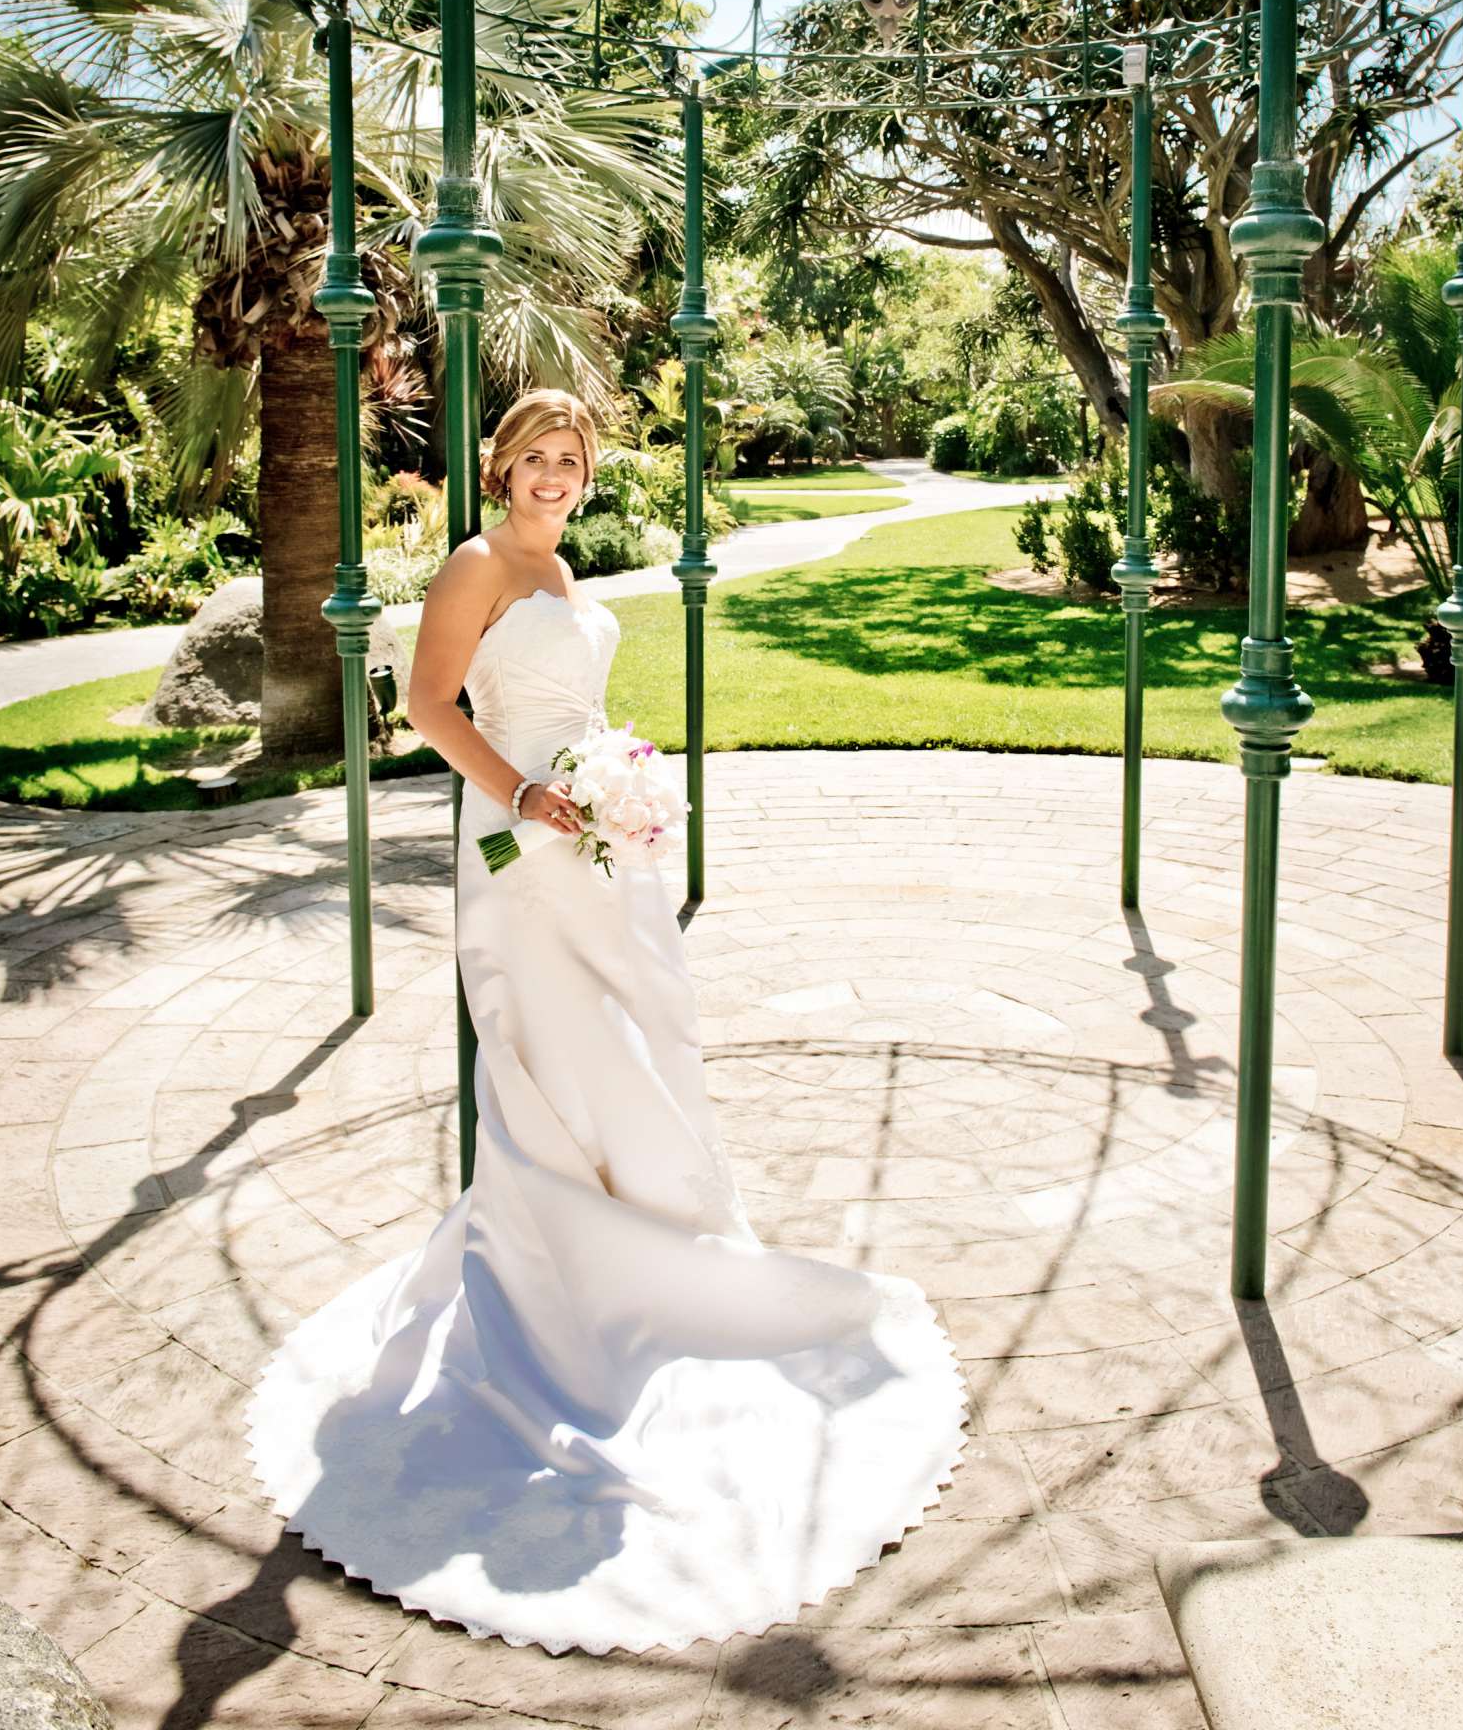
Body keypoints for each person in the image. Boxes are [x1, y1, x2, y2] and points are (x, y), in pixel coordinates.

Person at [246, 388, 967, 1655]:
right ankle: (547, 1285)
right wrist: (529, 795)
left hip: (597, 840)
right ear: (502, 463)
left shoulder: (566, 566)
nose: (557, 476)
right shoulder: (477, 564)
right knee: (552, 1050)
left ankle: (648, 1242)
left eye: (574, 460)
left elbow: (569, 707)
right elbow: (429, 705)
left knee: (637, 1040)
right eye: (539, 457)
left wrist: (610, 789)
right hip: (520, 840)